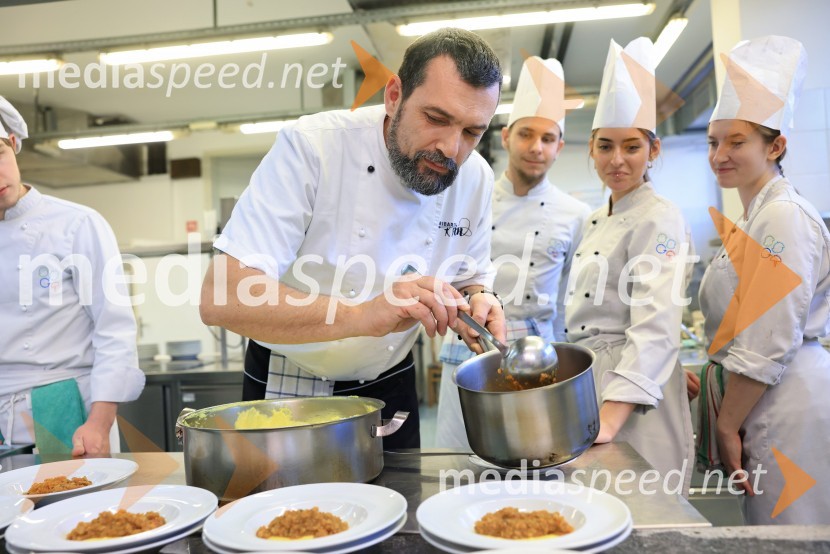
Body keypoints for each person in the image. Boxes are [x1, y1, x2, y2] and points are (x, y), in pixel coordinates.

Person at [200, 28, 507, 449]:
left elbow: (469, 275)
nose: (450, 148)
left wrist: (479, 298)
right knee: (282, 513)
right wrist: (363, 315)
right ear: (394, 94)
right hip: (288, 378)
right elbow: (223, 297)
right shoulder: (313, 148)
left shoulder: (475, 178)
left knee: (401, 509)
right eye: (436, 119)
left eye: (472, 132)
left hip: (390, 382)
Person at [698, 35, 830, 524]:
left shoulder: (784, 217)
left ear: (775, 145)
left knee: (792, 535)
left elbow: (769, 336)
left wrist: (727, 425)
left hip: (787, 400)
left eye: (737, 141)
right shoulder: (758, 216)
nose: (720, 155)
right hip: (765, 397)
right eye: (714, 141)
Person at [435, 56, 591, 449]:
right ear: (505, 136)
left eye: (547, 138)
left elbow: (569, 301)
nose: (535, 148)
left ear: (559, 147)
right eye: (526, 134)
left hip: (539, 354)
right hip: (468, 343)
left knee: (532, 456)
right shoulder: (465, 196)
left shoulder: (576, 216)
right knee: (458, 457)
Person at [564, 38, 694, 493]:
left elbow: (656, 325)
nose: (617, 160)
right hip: (590, 381)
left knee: (644, 511)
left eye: (632, 147)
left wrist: (610, 419)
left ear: (653, 152)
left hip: (633, 395)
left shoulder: (660, 217)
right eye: (605, 146)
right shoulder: (597, 218)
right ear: (591, 150)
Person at [0, 96, 145, 456]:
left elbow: (114, 330)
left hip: (67, 410)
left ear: (14, 144)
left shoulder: (77, 224)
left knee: (72, 510)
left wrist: (100, 423)